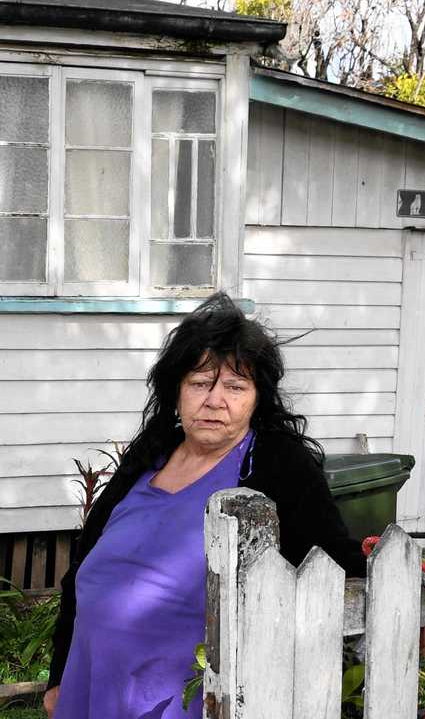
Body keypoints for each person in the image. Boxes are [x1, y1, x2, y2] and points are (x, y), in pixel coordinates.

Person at [43, 293, 366, 719]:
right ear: (176, 391)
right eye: (199, 383)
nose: (215, 400)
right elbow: (81, 571)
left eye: (235, 386)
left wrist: (379, 554)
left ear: (257, 397)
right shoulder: (150, 454)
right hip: (96, 685)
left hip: (194, 702)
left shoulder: (276, 464)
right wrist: (58, 679)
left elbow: (327, 559)